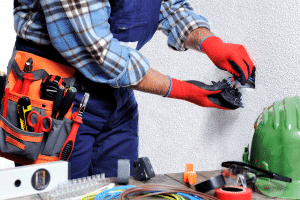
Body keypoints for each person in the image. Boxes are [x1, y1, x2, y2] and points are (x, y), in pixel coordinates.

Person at [13, 0, 253, 179]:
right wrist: (185, 90)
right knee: (61, 193)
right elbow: (101, 54)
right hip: (55, 97)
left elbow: (168, 6)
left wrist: (210, 43)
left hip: (116, 97)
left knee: (120, 189)